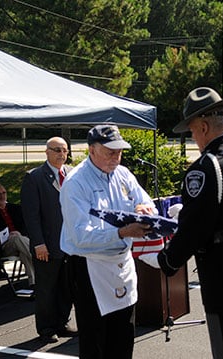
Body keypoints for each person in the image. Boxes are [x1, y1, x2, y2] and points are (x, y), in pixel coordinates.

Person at [139, 87, 223, 359]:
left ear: (204, 126)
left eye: (193, 131)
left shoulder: (205, 166)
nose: (193, 138)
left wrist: (166, 260)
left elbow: (195, 228)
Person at [60, 125, 156, 359]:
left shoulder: (123, 174)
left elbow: (145, 201)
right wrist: (122, 233)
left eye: (119, 151)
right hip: (90, 265)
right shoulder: (76, 183)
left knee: (123, 333)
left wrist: (144, 209)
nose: (116, 157)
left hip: (121, 264)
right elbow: (81, 235)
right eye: (110, 151)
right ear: (91, 150)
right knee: (95, 339)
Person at [21, 137, 77, 343]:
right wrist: (38, 243)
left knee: (66, 288)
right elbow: (31, 215)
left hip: (70, 245)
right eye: (57, 150)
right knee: (47, 289)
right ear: (46, 152)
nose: (62, 154)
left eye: (65, 150)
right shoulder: (34, 177)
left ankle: (62, 322)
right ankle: (46, 328)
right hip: (47, 244)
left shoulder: (72, 174)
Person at [0, 183, 35, 288]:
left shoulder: (16, 208)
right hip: (4, 246)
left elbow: (27, 227)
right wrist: (5, 237)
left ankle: (34, 283)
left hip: (22, 242)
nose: (2, 196)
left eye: (4, 193)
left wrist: (19, 233)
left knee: (22, 249)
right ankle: (40, 260)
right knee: (15, 238)